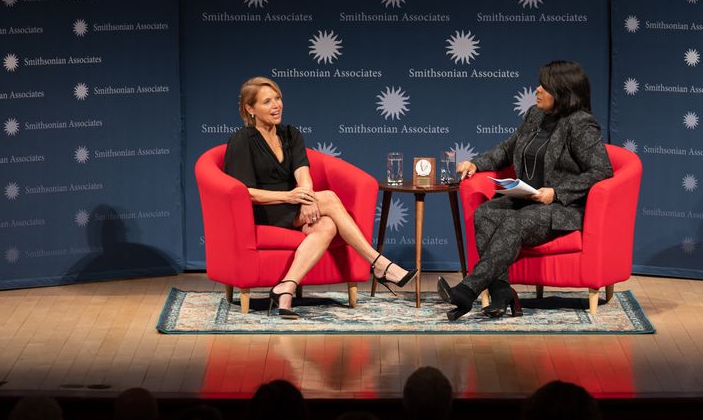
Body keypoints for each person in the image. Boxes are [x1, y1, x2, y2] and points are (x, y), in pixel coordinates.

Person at [224, 76, 414, 319]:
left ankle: (286, 287)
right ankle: (378, 263)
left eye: (278, 98)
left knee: (327, 224)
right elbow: (246, 193)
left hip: (292, 205)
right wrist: (291, 196)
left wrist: (308, 199)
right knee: (331, 198)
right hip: (264, 209)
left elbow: (303, 174)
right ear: (250, 109)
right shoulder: (242, 140)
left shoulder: (291, 134)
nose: (276, 105)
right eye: (267, 101)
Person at [440, 60, 612, 320]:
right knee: (485, 213)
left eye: (545, 86)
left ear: (563, 92)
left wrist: (556, 192)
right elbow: (508, 149)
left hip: (560, 208)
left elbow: (602, 171)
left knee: (516, 223)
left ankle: (468, 288)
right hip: (526, 199)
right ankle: (501, 292)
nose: (537, 90)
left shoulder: (581, 124)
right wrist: (476, 163)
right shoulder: (535, 115)